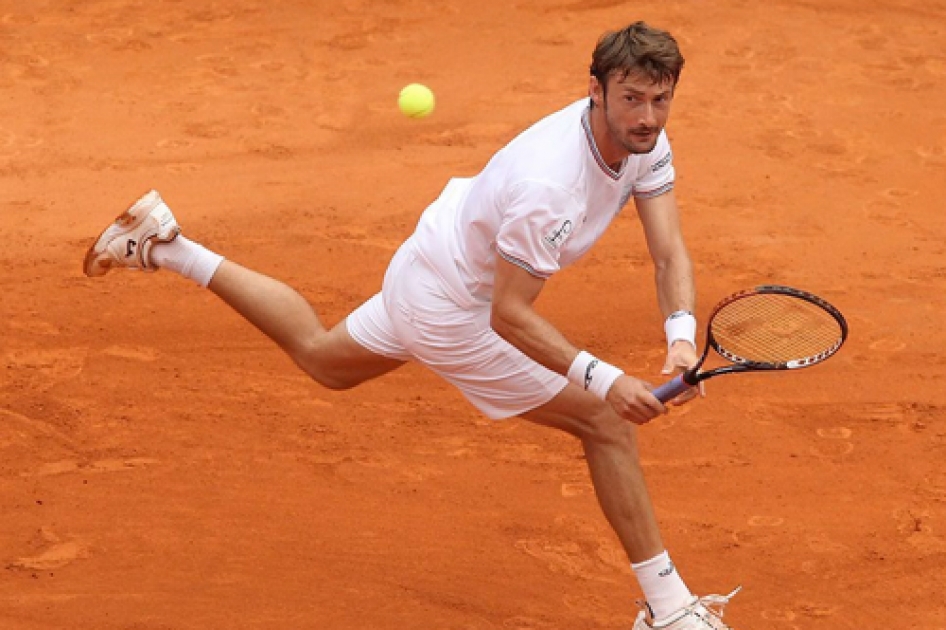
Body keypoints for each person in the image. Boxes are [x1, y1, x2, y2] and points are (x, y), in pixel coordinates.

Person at [83, 21, 740, 630]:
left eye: (660, 99)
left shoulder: (644, 142)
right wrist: (603, 378)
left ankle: (165, 244)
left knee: (324, 358)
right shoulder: (551, 188)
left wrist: (681, 340)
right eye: (631, 99)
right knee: (602, 421)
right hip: (453, 308)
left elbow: (669, 252)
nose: (648, 117)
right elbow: (508, 315)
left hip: (430, 259)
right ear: (594, 90)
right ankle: (671, 609)